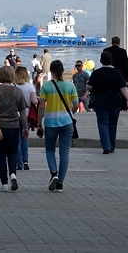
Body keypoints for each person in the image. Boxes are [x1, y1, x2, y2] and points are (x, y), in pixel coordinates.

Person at [37, 60, 79, 192]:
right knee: (64, 152)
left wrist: (39, 124)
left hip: (50, 123)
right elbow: (76, 105)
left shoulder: (46, 87)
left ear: (51, 71)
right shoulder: (70, 86)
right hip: (67, 122)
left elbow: (41, 107)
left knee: (50, 150)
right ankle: (60, 183)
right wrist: (68, 114)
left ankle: (54, 173)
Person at [86, 51, 128, 154]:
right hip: (115, 103)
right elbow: (123, 88)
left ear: (101, 61)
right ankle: (111, 146)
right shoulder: (117, 73)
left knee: (102, 124)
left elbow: (89, 87)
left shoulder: (96, 73)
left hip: (100, 103)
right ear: (111, 61)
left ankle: (106, 146)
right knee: (112, 125)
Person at [14, 66, 37, 171]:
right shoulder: (30, 86)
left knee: (16, 140)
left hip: (14, 115)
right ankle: (25, 160)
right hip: (27, 114)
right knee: (24, 137)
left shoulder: (13, 86)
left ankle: (19, 163)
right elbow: (34, 101)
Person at [104, 36, 128, 110]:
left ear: (111, 42)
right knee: (122, 90)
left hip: (108, 74)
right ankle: (123, 107)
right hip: (121, 75)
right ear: (119, 43)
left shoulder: (106, 50)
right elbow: (126, 64)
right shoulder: (122, 51)